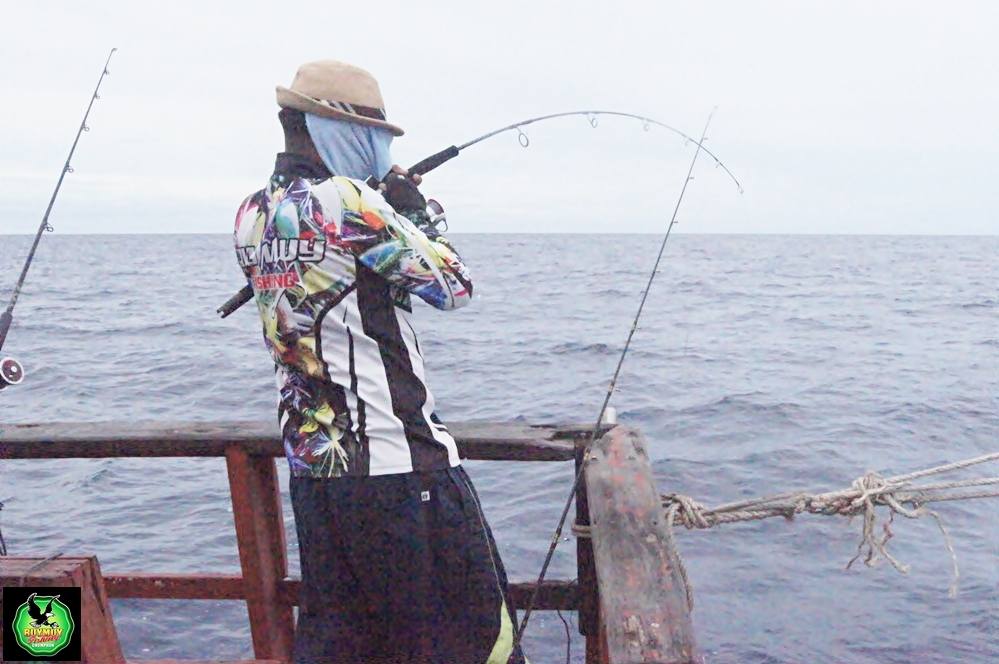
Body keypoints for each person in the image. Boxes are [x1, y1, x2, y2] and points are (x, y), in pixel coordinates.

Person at [233, 59, 526, 664]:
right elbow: (452, 284)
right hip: (400, 473)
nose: (378, 152)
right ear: (334, 129)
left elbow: (342, 292)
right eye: (374, 137)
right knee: (472, 646)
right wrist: (411, 202)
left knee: (348, 647)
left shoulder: (251, 215)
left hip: (316, 480)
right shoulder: (349, 203)